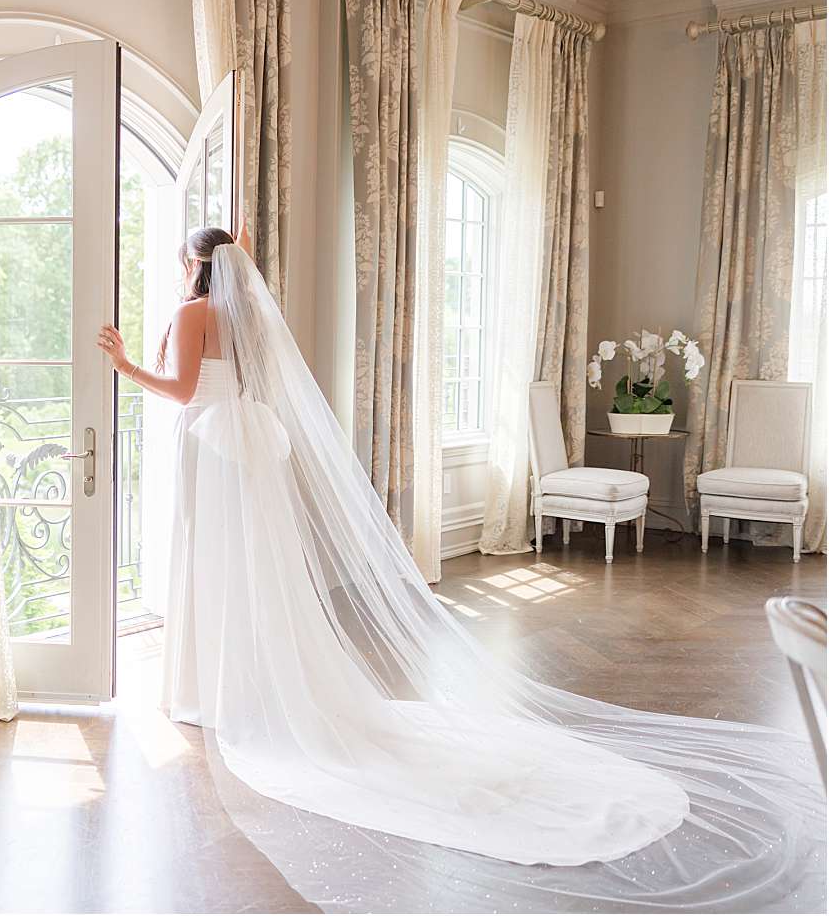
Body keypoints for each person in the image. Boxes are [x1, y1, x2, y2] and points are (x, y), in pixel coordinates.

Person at [96, 227, 824, 912]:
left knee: (218, 572)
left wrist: (128, 363)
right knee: (252, 578)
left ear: (193, 265)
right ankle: (246, 681)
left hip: (214, 450)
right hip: (244, 450)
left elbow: (186, 390)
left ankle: (212, 685)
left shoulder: (194, 311)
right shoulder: (246, 315)